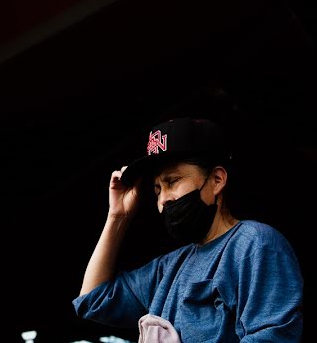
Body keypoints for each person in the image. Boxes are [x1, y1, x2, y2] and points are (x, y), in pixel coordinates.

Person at [74, 117, 303, 342]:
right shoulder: (169, 268)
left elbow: (272, 336)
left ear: (216, 180)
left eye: (172, 181)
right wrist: (118, 217)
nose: (163, 199)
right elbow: (92, 300)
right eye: (156, 190)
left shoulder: (254, 244)